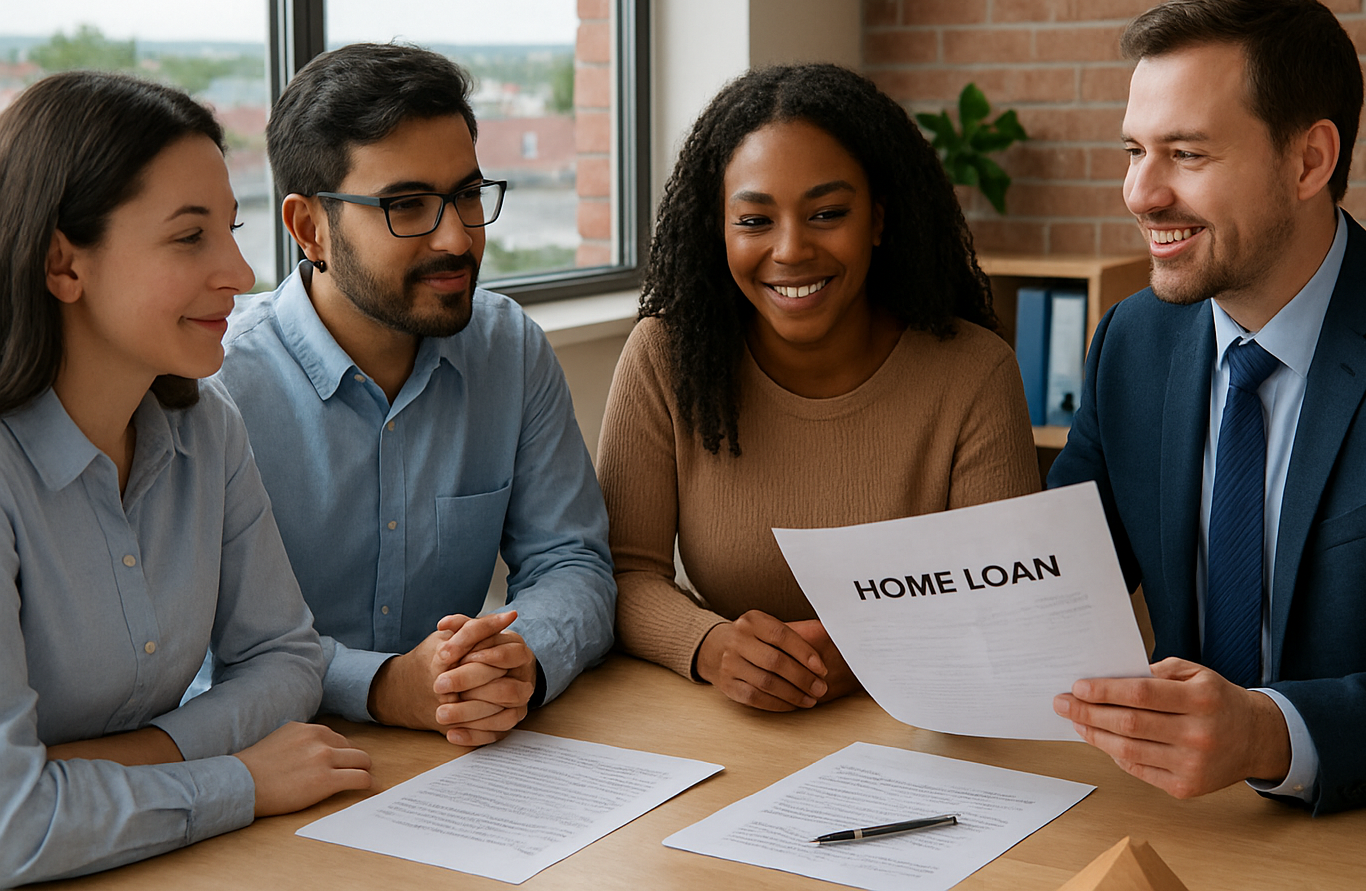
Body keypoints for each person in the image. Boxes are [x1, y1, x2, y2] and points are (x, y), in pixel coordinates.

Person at [1048, 0, 1366, 818]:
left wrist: (1266, 734)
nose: (1141, 194)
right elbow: (1054, 579)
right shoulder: (1133, 339)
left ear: (1310, 160)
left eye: (1187, 155)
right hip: (1178, 816)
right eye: (1134, 151)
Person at [0, 72, 372, 884]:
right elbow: (10, 826)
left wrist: (132, 759)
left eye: (231, 232)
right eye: (188, 237)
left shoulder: (207, 427)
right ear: (64, 263)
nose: (240, 272)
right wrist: (236, 779)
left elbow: (286, 660)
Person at [598, 63, 1040, 712]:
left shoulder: (974, 372)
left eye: (827, 213)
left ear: (879, 219)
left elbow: (1009, 604)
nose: (791, 249)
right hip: (727, 726)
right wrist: (710, 644)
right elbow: (622, 573)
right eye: (753, 221)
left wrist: (875, 645)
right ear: (716, 228)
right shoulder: (664, 358)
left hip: (927, 726)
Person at [218, 43, 615, 747]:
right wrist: (380, 685)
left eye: (467, 194)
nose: (459, 238)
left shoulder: (509, 350)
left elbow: (570, 560)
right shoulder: (216, 387)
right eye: (407, 206)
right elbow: (200, 650)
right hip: (281, 765)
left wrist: (520, 659)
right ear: (309, 228)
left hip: (469, 759)